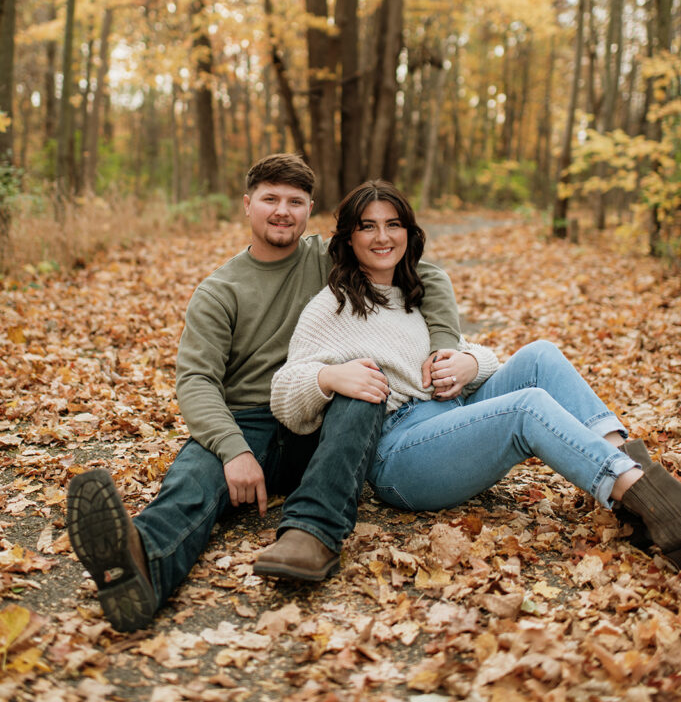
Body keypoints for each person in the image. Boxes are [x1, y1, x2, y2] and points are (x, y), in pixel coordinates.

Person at [66, 155, 464, 633]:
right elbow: (196, 382)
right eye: (270, 199)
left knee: (362, 382)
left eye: (295, 202)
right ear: (247, 205)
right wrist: (233, 452)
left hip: (320, 419)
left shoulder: (327, 258)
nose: (282, 211)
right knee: (193, 482)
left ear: (309, 208)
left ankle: (313, 534)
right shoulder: (220, 290)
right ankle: (140, 566)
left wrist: (444, 348)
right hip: (247, 424)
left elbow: (425, 273)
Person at [268, 179, 681, 571]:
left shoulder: (412, 296)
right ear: (349, 238)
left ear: (409, 233)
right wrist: (329, 378)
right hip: (401, 455)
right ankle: (653, 503)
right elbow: (285, 392)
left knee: (540, 354)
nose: (382, 237)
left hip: (450, 414)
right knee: (527, 408)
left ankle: (632, 478)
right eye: (368, 227)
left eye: (393, 224)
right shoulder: (332, 306)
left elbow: (476, 356)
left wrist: (471, 364)